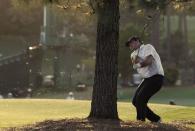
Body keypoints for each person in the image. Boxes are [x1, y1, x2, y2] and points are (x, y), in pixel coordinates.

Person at [125, 36, 164, 122]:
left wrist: (138, 63)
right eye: (130, 44)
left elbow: (149, 61)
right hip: (147, 79)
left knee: (140, 98)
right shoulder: (133, 54)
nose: (131, 45)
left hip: (156, 77)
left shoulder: (148, 47)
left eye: (133, 42)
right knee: (135, 101)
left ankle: (140, 121)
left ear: (138, 41)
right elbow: (135, 62)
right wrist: (137, 60)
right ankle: (156, 119)